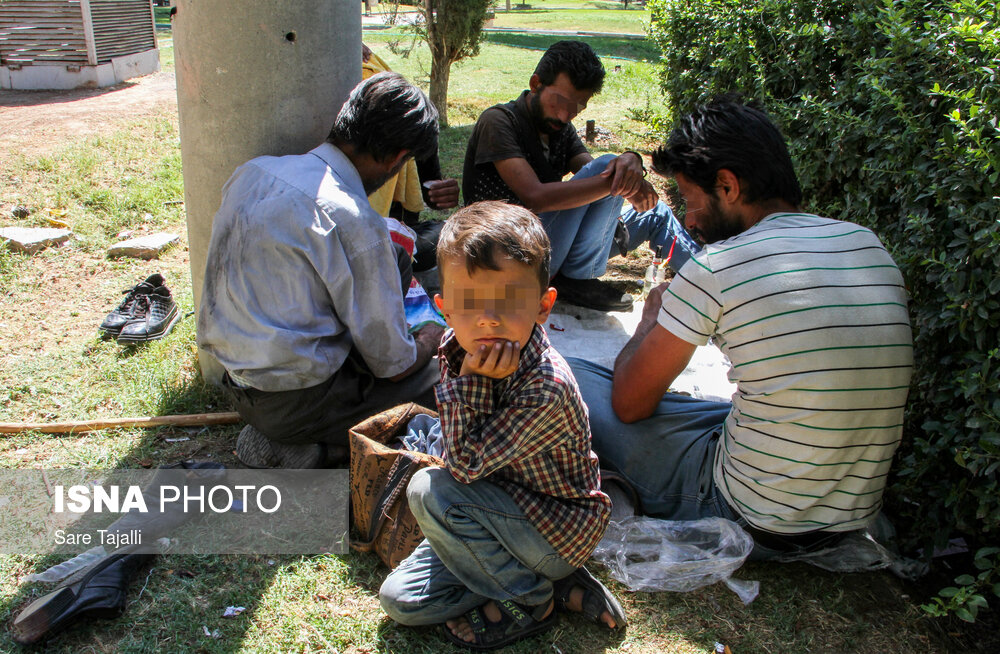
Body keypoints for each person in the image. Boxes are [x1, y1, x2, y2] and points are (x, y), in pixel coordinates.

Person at [568, 99, 914, 557]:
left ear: (728, 185)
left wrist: (649, 322)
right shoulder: (865, 242)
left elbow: (630, 405)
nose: (688, 220)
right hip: (851, 515)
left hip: (754, 515)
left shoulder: (718, 265)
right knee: (701, 408)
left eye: (689, 200)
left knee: (569, 377)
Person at [378, 202, 625, 650]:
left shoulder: (546, 386)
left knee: (427, 491)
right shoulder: (458, 345)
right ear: (445, 309)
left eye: (509, 300)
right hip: (492, 514)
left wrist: (471, 383)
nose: (488, 318)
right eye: (470, 303)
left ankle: (533, 598)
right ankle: (551, 583)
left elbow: (462, 467)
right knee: (401, 601)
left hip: (551, 526)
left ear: (543, 305)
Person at [197, 72, 446, 469]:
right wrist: (433, 336)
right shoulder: (352, 220)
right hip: (295, 404)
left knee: (394, 257)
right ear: (397, 158)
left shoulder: (254, 172)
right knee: (448, 380)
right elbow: (395, 366)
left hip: (236, 384)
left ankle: (302, 438)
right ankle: (314, 451)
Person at [462, 40, 699, 311]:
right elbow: (535, 197)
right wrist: (621, 175)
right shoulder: (499, 121)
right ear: (536, 83)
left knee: (655, 215)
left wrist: (631, 162)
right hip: (507, 254)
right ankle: (576, 280)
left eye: (577, 108)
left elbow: (590, 168)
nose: (565, 115)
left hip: (551, 246)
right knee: (611, 165)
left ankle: (715, 283)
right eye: (560, 101)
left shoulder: (560, 126)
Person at [362, 43, 458, 272]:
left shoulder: (406, 111)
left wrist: (439, 193)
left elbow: (427, 188)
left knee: (446, 235)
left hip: (399, 234)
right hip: (360, 244)